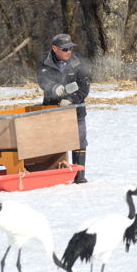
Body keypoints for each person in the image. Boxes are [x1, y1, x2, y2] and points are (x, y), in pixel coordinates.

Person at [36, 33, 92, 183]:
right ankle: (54, 175)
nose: (68, 52)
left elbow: (84, 88)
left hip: (76, 109)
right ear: (54, 48)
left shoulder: (79, 62)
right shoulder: (44, 61)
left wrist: (70, 99)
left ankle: (79, 176)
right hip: (52, 109)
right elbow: (42, 80)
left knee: (79, 141)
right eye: (64, 49)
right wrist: (54, 88)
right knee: (53, 141)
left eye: (70, 48)